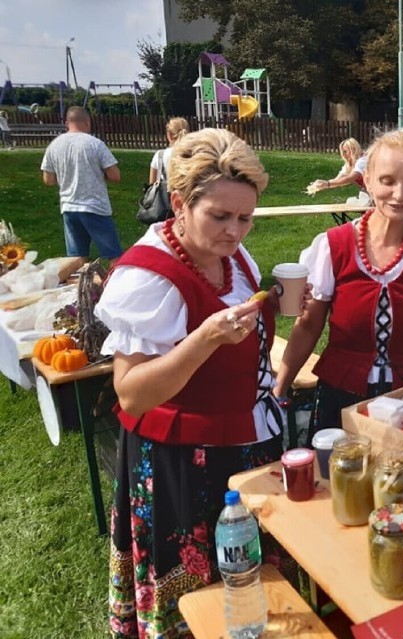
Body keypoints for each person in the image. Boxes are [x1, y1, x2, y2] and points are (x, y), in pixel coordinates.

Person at [94, 128, 293, 637]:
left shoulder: (234, 257)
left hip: (242, 444)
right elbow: (132, 393)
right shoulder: (149, 277)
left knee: (252, 586)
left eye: (245, 217)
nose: (235, 231)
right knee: (194, 594)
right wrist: (203, 340)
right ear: (179, 204)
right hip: (180, 459)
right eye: (220, 216)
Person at [274, 128, 403, 433]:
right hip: (342, 391)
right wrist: (281, 388)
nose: (399, 194)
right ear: (366, 179)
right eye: (387, 181)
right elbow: (308, 324)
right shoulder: (333, 247)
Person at [40, 106, 123, 262]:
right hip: (95, 207)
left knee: (76, 260)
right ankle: (116, 284)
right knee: (114, 256)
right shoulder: (95, 144)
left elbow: (48, 180)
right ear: (87, 122)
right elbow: (115, 176)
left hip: (69, 207)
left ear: (67, 123)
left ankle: (78, 286)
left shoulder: (54, 145)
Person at [307, 137, 370, 203]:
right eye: (342, 152)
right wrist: (323, 183)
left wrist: (328, 184)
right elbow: (337, 179)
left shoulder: (363, 160)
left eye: (345, 151)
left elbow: (350, 178)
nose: (343, 154)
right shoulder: (348, 165)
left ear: (353, 150)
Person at [148, 116, 190, 184]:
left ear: (169, 135)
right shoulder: (194, 154)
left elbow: (151, 184)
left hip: (166, 193)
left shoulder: (159, 155)